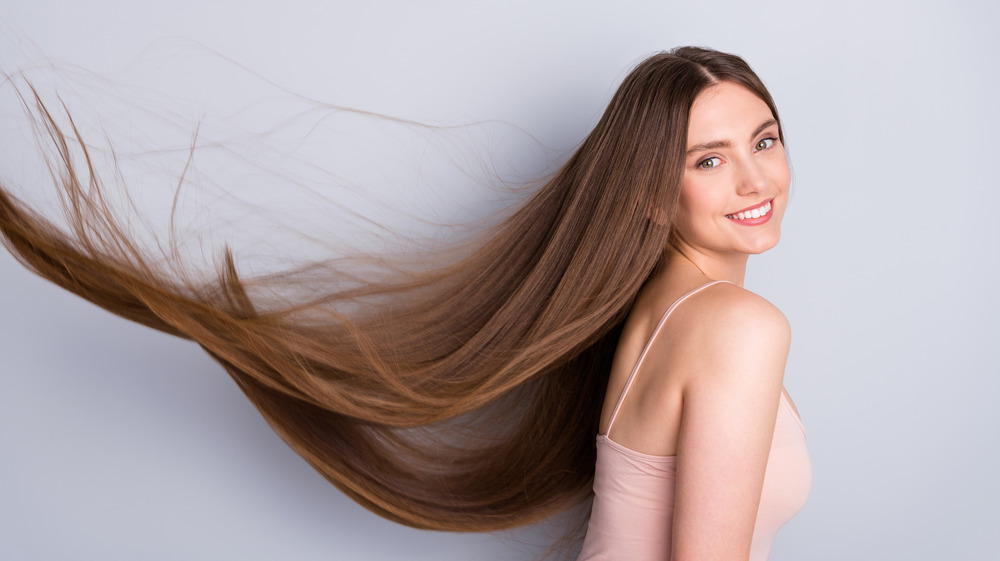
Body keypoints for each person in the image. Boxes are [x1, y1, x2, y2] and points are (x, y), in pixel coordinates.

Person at [0, 46, 809, 559]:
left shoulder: (663, 312)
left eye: (763, 140)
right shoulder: (736, 326)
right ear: (645, 191)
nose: (753, 180)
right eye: (709, 159)